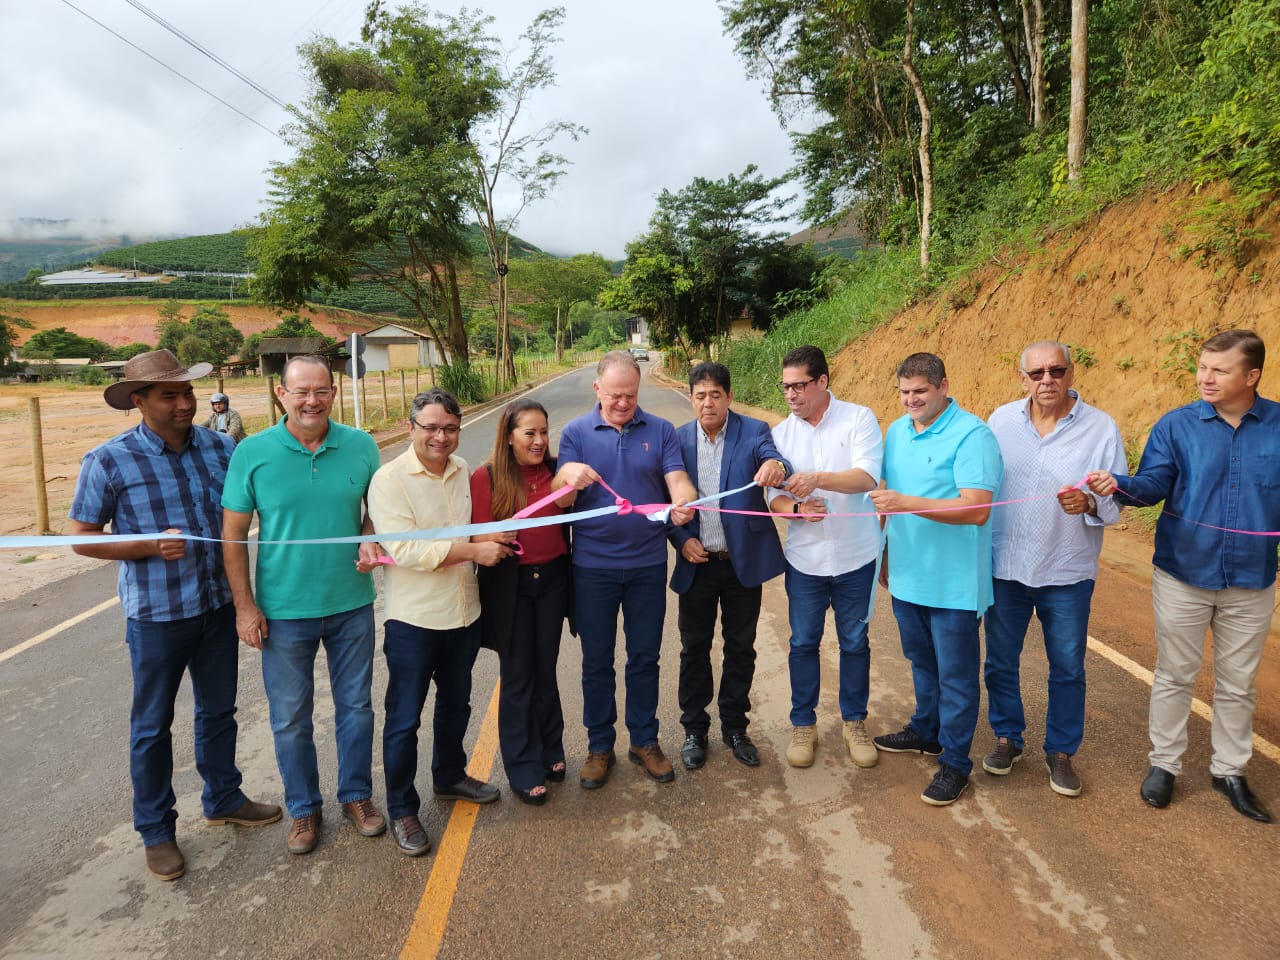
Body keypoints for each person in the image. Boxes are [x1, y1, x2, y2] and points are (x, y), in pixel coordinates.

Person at [67, 349, 280, 882]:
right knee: (151, 726)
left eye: (187, 392)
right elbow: (81, 538)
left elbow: (250, 512)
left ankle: (224, 798)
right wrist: (144, 545)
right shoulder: (108, 460)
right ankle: (156, 830)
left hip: (217, 606)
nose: (184, 404)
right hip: (158, 616)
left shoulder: (222, 447)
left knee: (219, 712)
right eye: (170, 396)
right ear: (139, 402)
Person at [1087, 329, 1280, 823]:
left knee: (1238, 684)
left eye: (1219, 370)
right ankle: (1165, 764)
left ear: (1252, 376)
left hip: (1251, 578)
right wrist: (1118, 485)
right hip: (1182, 574)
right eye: (1202, 367)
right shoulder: (1176, 426)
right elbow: (1153, 485)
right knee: (1175, 674)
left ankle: (1229, 771)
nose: (1205, 378)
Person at [221, 355, 386, 855]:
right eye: (301, 392)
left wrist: (369, 536)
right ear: (281, 394)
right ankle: (303, 808)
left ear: (333, 392)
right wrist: (244, 607)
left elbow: (377, 512)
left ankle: (356, 795)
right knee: (291, 718)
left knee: (356, 707)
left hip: (351, 603)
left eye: (321, 391)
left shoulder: (361, 446)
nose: (311, 401)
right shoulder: (251, 453)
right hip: (283, 610)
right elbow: (232, 536)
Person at [366, 388, 510, 854]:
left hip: (463, 612)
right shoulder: (389, 480)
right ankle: (402, 808)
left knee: (456, 705)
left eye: (450, 428)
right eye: (430, 427)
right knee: (404, 719)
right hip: (414, 620)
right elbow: (406, 550)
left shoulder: (462, 470)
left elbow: (475, 524)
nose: (440, 437)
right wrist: (475, 551)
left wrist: (493, 536)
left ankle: (449, 777)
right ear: (411, 428)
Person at [983, 341, 1126, 798]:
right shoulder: (1000, 421)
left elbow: (1116, 501)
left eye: (1056, 370)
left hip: (1066, 571)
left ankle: (1061, 751)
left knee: (1066, 667)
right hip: (1005, 566)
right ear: (1022, 378)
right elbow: (981, 485)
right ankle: (1007, 737)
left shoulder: (1101, 428)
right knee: (999, 661)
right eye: (1037, 373)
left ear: (1070, 373)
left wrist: (1089, 503)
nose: (1047, 380)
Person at [557, 350, 696, 788]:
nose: (622, 403)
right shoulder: (576, 433)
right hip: (592, 568)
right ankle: (600, 746)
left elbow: (677, 480)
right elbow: (561, 500)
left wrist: (684, 502)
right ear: (597, 388)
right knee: (597, 661)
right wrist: (568, 475)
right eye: (614, 395)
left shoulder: (661, 430)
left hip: (647, 566)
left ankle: (644, 740)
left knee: (645, 657)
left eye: (630, 395)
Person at [869, 352, 1002, 806]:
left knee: (957, 676)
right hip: (908, 577)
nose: (912, 400)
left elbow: (976, 507)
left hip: (954, 584)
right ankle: (926, 730)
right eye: (904, 393)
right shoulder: (896, 431)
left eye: (920, 392)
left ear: (944, 386)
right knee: (921, 662)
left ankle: (956, 762)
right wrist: (885, 554)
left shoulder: (973, 435)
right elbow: (886, 500)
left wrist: (907, 503)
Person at [767, 345, 884, 770]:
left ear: (822, 381)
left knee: (854, 643)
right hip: (805, 561)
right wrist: (798, 509)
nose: (791, 395)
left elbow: (866, 476)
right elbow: (773, 499)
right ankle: (804, 725)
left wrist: (818, 479)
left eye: (799, 386)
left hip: (856, 556)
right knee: (803, 643)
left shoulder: (858, 419)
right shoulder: (779, 435)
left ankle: (854, 724)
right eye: (785, 387)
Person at [668, 362, 789, 770]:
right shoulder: (677, 440)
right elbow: (664, 500)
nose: (708, 403)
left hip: (741, 565)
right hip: (698, 562)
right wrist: (681, 540)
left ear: (729, 397)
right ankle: (694, 729)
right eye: (700, 396)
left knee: (740, 648)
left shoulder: (754, 432)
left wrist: (777, 468)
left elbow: (775, 460)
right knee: (694, 648)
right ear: (691, 398)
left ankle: (736, 727)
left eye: (715, 395)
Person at [471, 399, 579, 804]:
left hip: (553, 581)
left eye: (544, 432)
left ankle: (552, 749)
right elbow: (474, 534)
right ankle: (523, 766)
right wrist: (493, 535)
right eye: (529, 433)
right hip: (509, 585)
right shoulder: (486, 476)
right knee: (518, 676)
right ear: (509, 436)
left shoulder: (557, 472)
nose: (538, 441)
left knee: (545, 669)